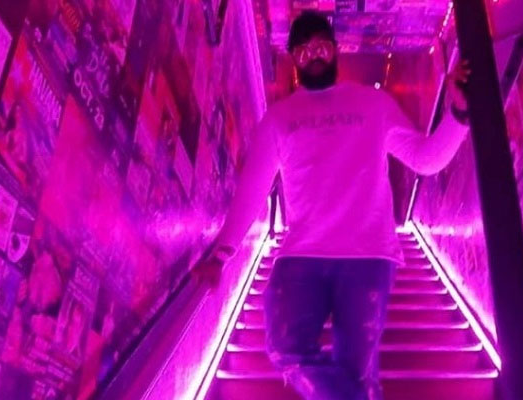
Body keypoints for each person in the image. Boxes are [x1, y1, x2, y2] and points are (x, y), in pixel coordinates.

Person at [191, 11, 471, 400]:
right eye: (304, 51)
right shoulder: (279, 118)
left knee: (357, 375)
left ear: (335, 50)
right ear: (293, 57)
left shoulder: (373, 104)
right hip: (301, 256)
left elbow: (426, 160)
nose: (315, 57)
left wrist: (459, 114)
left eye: (321, 47)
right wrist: (222, 254)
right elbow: (252, 190)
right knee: (286, 349)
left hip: (368, 255)